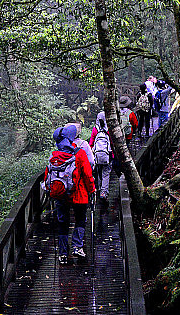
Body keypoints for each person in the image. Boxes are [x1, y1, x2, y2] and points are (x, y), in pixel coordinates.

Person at [51, 123, 96, 263]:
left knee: (63, 223)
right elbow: (88, 175)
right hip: (79, 194)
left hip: (61, 195)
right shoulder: (80, 153)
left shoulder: (55, 155)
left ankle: (63, 254)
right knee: (80, 219)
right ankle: (77, 246)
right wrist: (92, 190)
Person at [89, 111, 113, 209]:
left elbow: (91, 143)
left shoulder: (95, 129)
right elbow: (112, 143)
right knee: (106, 173)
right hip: (107, 155)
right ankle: (104, 192)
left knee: (98, 172)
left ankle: (98, 189)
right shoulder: (109, 129)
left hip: (97, 155)